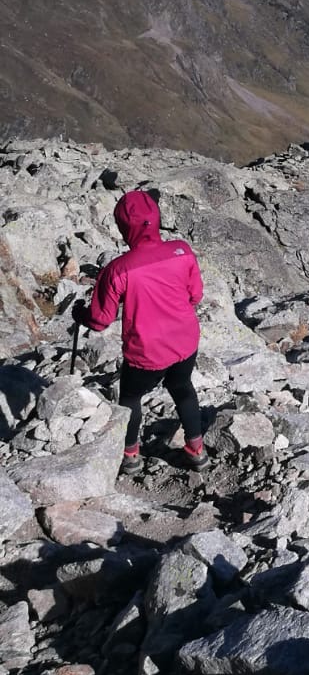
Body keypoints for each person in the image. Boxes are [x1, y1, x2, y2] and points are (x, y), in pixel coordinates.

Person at [74, 189, 207, 475]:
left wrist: (80, 314)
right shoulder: (181, 250)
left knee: (131, 397)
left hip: (146, 350)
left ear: (123, 227)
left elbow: (100, 321)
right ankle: (197, 450)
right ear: (156, 219)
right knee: (182, 387)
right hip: (185, 340)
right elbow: (195, 296)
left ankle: (130, 455)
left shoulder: (117, 270)